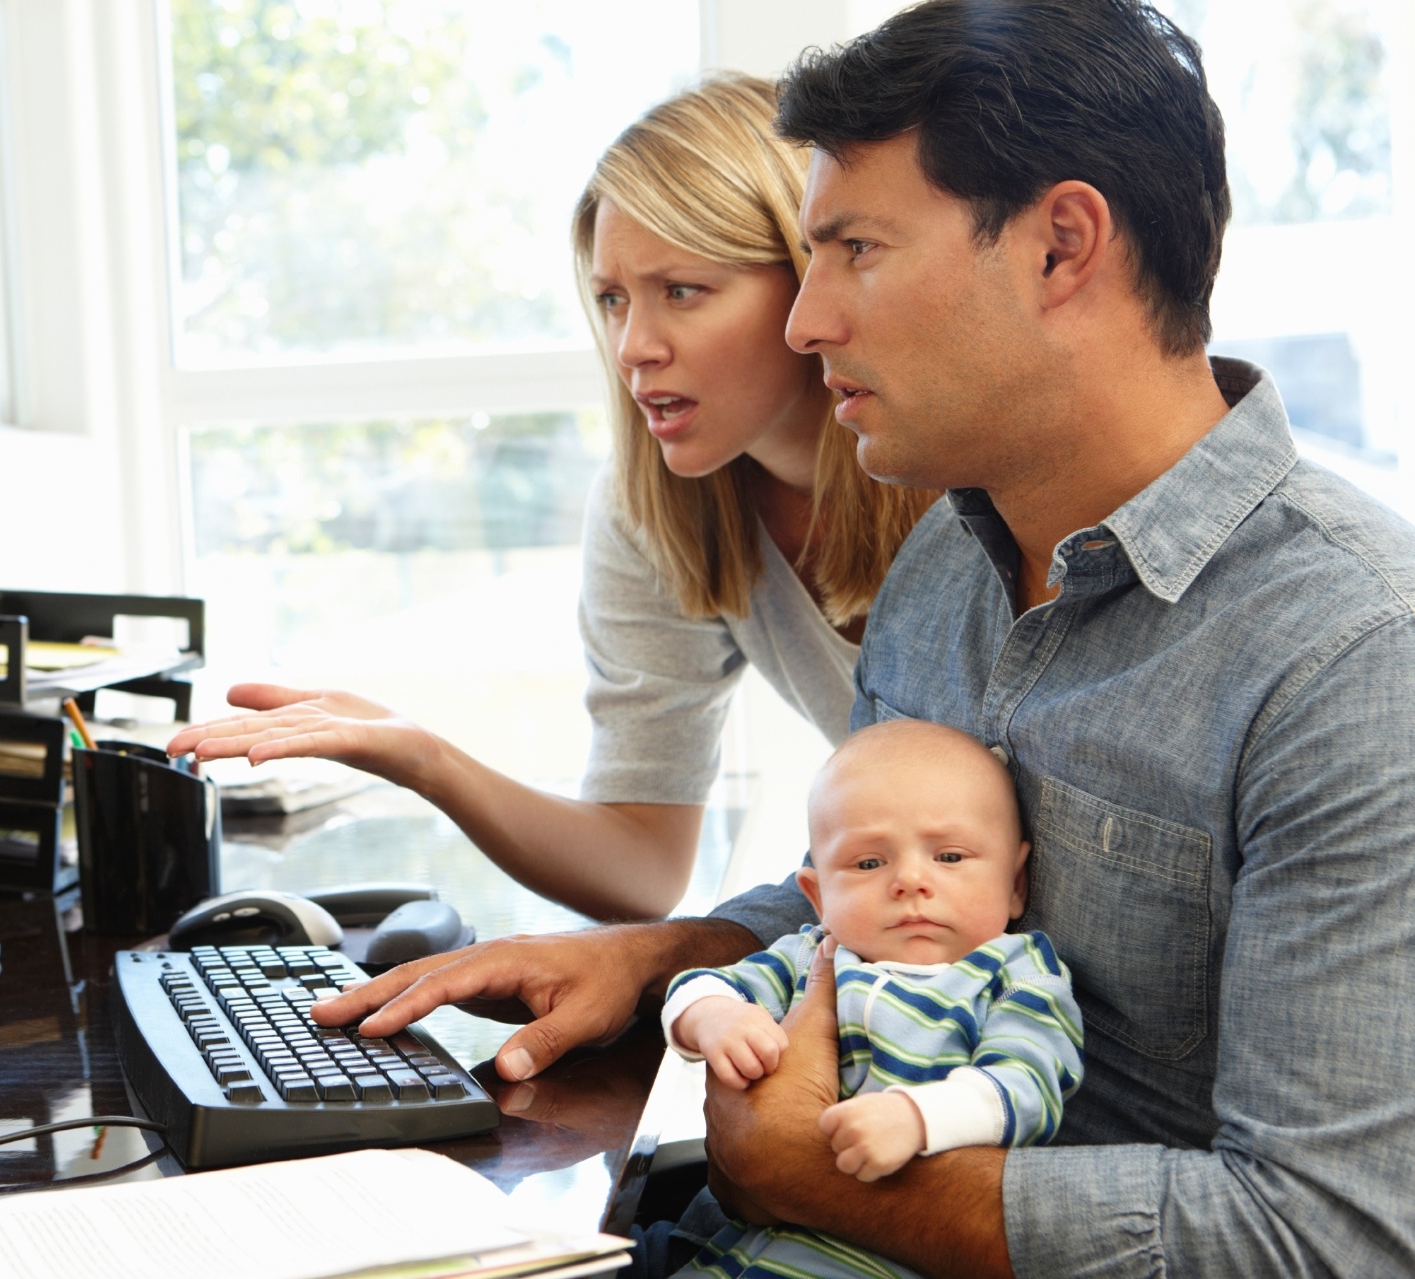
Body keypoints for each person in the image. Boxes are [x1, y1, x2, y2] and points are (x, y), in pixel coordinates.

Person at [309, 1, 1415, 1275]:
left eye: (854, 252)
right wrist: (661, 957)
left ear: (1063, 247)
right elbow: (889, 892)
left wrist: (823, 1185)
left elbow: (1331, 1238)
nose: (804, 319)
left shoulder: (1352, 660)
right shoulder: (951, 553)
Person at [169, 74, 933, 922]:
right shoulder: (656, 511)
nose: (633, 346)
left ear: (805, 280)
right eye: (612, 299)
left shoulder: (957, 472)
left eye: (682, 290)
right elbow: (639, 863)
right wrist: (422, 756)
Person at [663, 719, 1081, 1279]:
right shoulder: (816, 952)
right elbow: (701, 985)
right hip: (734, 1245)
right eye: (868, 863)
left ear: (1015, 883)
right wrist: (713, 1017)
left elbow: (1028, 1086)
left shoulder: (1016, 974)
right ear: (817, 894)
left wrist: (918, 1117)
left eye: (950, 857)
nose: (910, 880)